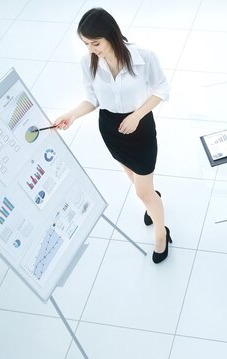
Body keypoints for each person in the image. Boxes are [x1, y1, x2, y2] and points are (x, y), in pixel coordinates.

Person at [54, 8, 171, 263]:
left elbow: (162, 89)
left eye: (95, 43)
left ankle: (161, 233)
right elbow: (92, 99)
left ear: (111, 35)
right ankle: (153, 198)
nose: (91, 49)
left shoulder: (143, 57)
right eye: (86, 44)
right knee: (134, 179)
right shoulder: (88, 62)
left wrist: (137, 114)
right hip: (111, 129)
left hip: (139, 127)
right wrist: (72, 115)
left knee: (142, 192)